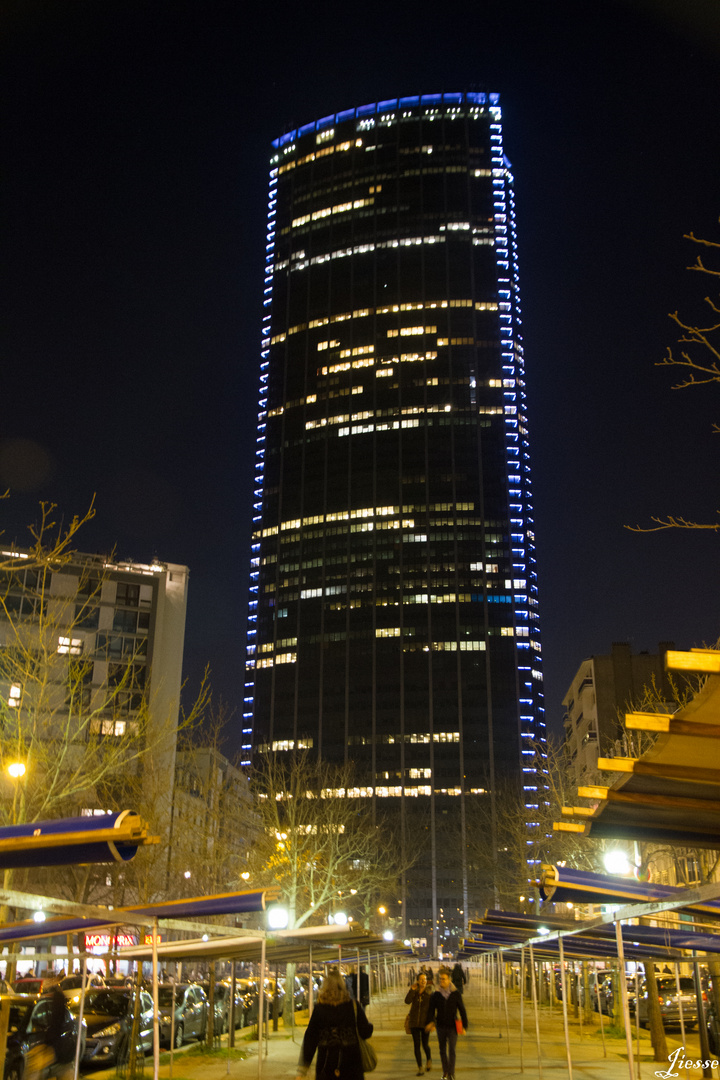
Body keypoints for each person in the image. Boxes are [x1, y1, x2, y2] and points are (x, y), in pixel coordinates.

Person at [296, 967, 373, 1079]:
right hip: (351, 1062)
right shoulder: (353, 1006)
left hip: (326, 1063)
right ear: (343, 986)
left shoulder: (319, 1009)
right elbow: (365, 1032)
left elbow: (310, 1038)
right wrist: (370, 1027)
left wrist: (304, 1067)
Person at [425, 968, 468, 1080]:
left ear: (449, 980)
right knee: (442, 1050)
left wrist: (464, 1026)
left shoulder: (455, 994)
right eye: (440, 979)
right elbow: (431, 1010)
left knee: (452, 1050)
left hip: (453, 1026)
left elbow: (462, 1010)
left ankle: (451, 1073)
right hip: (440, 1026)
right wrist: (431, 1022)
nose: (441, 981)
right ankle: (445, 1072)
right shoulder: (436, 994)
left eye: (443, 979)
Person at [405, 970, 433, 1075]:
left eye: (425, 979)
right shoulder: (414, 991)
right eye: (421, 979)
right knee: (416, 1045)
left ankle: (429, 1059)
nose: (423, 981)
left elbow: (433, 1009)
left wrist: (432, 1022)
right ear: (417, 981)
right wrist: (411, 990)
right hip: (414, 1022)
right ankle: (420, 1067)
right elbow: (407, 1001)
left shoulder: (429, 992)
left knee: (425, 1044)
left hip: (425, 1022)